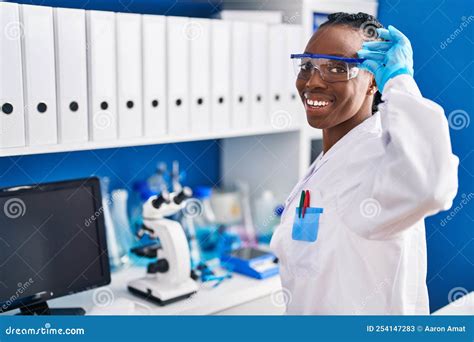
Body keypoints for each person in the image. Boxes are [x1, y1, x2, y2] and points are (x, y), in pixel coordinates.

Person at [270, 12, 459, 315]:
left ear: (373, 80)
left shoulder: (377, 160)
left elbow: (432, 186)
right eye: (307, 65)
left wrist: (399, 81)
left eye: (336, 68)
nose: (313, 81)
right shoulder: (331, 159)